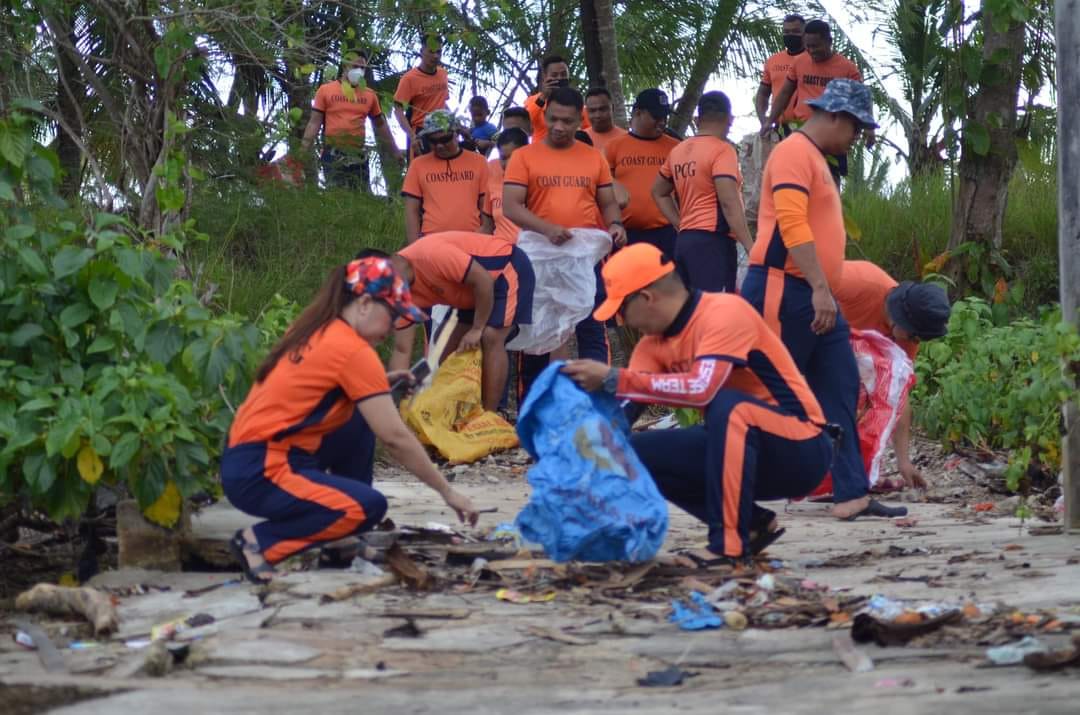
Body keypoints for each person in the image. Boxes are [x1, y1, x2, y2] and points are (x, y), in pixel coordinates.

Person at [562, 245, 835, 565]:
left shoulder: (724, 312)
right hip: (736, 452)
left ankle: (727, 545)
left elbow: (703, 389)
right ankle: (751, 525)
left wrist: (614, 378)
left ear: (647, 297)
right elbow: (623, 411)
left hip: (800, 447)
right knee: (628, 452)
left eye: (621, 312)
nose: (623, 323)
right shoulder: (652, 347)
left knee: (730, 407)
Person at [220, 256, 480, 583]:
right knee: (364, 507)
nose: (393, 328)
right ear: (365, 303)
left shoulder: (313, 330)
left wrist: (380, 384)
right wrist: (447, 492)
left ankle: (341, 543)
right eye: (393, 316)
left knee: (358, 420)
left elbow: (318, 389)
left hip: (245, 460)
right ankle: (259, 544)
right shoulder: (352, 350)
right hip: (264, 472)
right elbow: (395, 439)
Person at [742, 79, 905, 521]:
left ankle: (852, 492)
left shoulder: (816, 158)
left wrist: (821, 288)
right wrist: (818, 286)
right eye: (855, 129)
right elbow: (792, 224)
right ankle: (734, 480)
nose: (856, 138)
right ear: (835, 116)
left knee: (839, 386)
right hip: (784, 287)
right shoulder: (794, 153)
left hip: (813, 292)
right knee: (770, 388)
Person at [502, 86, 626, 400]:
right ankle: (533, 404)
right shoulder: (524, 157)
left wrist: (614, 224)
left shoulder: (592, 158)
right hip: (538, 254)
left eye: (568, 121)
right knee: (535, 328)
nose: (560, 127)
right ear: (544, 116)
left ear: (578, 121)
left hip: (581, 256)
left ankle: (597, 400)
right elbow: (511, 206)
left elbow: (608, 202)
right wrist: (547, 229)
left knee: (592, 324)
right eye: (554, 119)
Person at [834, 260, 951, 489]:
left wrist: (904, 461)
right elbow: (806, 282)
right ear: (903, 319)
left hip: (839, 361)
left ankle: (847, 467)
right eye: (916, 336)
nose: (915, 342)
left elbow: (899, 397)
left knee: (875, 395)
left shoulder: (904, 339)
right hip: (797, 332)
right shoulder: (860, 283)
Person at [386, 233, 534, 412]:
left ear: (396, 259)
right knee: (444, 346)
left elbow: (483, 281)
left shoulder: (432, 254)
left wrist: (477, 329)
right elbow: (402, 349)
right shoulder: (397, 295)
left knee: (490, 336)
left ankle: (489, 415)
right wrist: (393, 400)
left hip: (506, 270)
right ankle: (451, 409)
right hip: (471, 291)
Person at [653, 91, 753, 292]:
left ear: (698, 119)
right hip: (713, 243)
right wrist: (751, 246)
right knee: (716, 312)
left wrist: (680, 224)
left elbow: (658, 192)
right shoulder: (722, 150)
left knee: (691, 311)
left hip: (685, 242)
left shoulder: (678, 151)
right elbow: (728, 202)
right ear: (729, 119)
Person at [761, 19, 870, 181]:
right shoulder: (800, 62)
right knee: (797, 177)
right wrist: (769, 120)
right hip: (802, 130)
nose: (812, 51)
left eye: (816, 46)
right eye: (808, 46)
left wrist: (869, 129)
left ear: (829, 42)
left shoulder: (847, 68)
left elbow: (862, 98)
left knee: (828, 180)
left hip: (832, 136)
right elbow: (784, 94)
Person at [301, 52, 402, 190]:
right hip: (333, 155)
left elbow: (381, 125)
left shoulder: (369, 95)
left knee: (361, 198)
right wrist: (303, 150)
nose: (359, 71)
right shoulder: (326, 91)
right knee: (337, 197)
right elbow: (314, 123)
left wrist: (395, 151)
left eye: (363, 68)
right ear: (345, 65)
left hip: (358, 156)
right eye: (356, 66)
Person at [605, 89, 680, 258]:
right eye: (656, 117)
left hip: (667, 234)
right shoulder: (613, 147)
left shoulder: (676, 148)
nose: (662, 122)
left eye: (664, 117)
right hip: (627, 234)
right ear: (638, 113)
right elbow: (605, 192)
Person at [401, 110, 491, 244]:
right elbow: (411, 210)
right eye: (433, 141)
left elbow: (486, 204)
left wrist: (485, 234)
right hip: (433, 243)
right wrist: (415, 247)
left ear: (456, 134)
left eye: (445, 139)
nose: (439, 146)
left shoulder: (479, 162)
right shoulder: (418, 165)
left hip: (473, 240)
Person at [394, 34, 450, 158]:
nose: (435, 56)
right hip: (421, 132)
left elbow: (442, 102)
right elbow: (398, 110)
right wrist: (412, 136)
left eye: (439, 52)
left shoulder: (443, 74)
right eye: (431, 52)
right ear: (422, 52)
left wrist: (454, 123)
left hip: (442, 131)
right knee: (421, 173)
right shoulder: (409, 79)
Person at [755, 14, 805, 132]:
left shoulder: (813, 60)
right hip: (779, 128)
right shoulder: (773, 61)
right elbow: (762, 94)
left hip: (807, 127)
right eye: (786, 32)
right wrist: (764, 120)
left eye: (796, 31)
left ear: (805, 33)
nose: (790, 35)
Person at [523, 55, 590, 142]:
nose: (559, 78)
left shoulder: (577, 102)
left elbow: (588, 131)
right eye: (554, 75)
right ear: (545, 77)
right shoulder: (533, 100)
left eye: (563, 74)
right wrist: (543, 97)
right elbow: (525, 123)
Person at [482, 127, 529, 243]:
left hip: (533, 255)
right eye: (503, 158)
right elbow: (487, 227)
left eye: (513, 157)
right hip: (501, 254)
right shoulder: (492, 179)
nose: (508, 163)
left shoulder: (540, 183)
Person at [584, 87, 627, 155]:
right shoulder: (579, 140)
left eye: (602, 109)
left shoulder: (627, 139)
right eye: (592, 111)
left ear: (612, 108)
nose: (598, 115)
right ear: (586, 111)